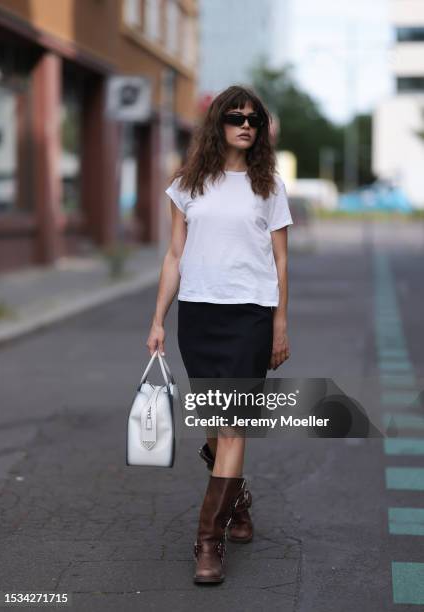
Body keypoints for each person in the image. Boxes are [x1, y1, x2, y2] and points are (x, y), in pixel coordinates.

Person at [146, 84, 293, 584]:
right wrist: (158, 319)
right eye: (235, 116)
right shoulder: (188, 183)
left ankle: (207, 542)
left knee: (232, 427)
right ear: (219, 124)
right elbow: (173, 256)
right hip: (200, 317)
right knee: (214, 424)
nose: (245, 124)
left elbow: (280, 261)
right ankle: (239, 500)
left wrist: (279, 324)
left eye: (254, 118)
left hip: (250, 316)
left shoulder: (269, 185)